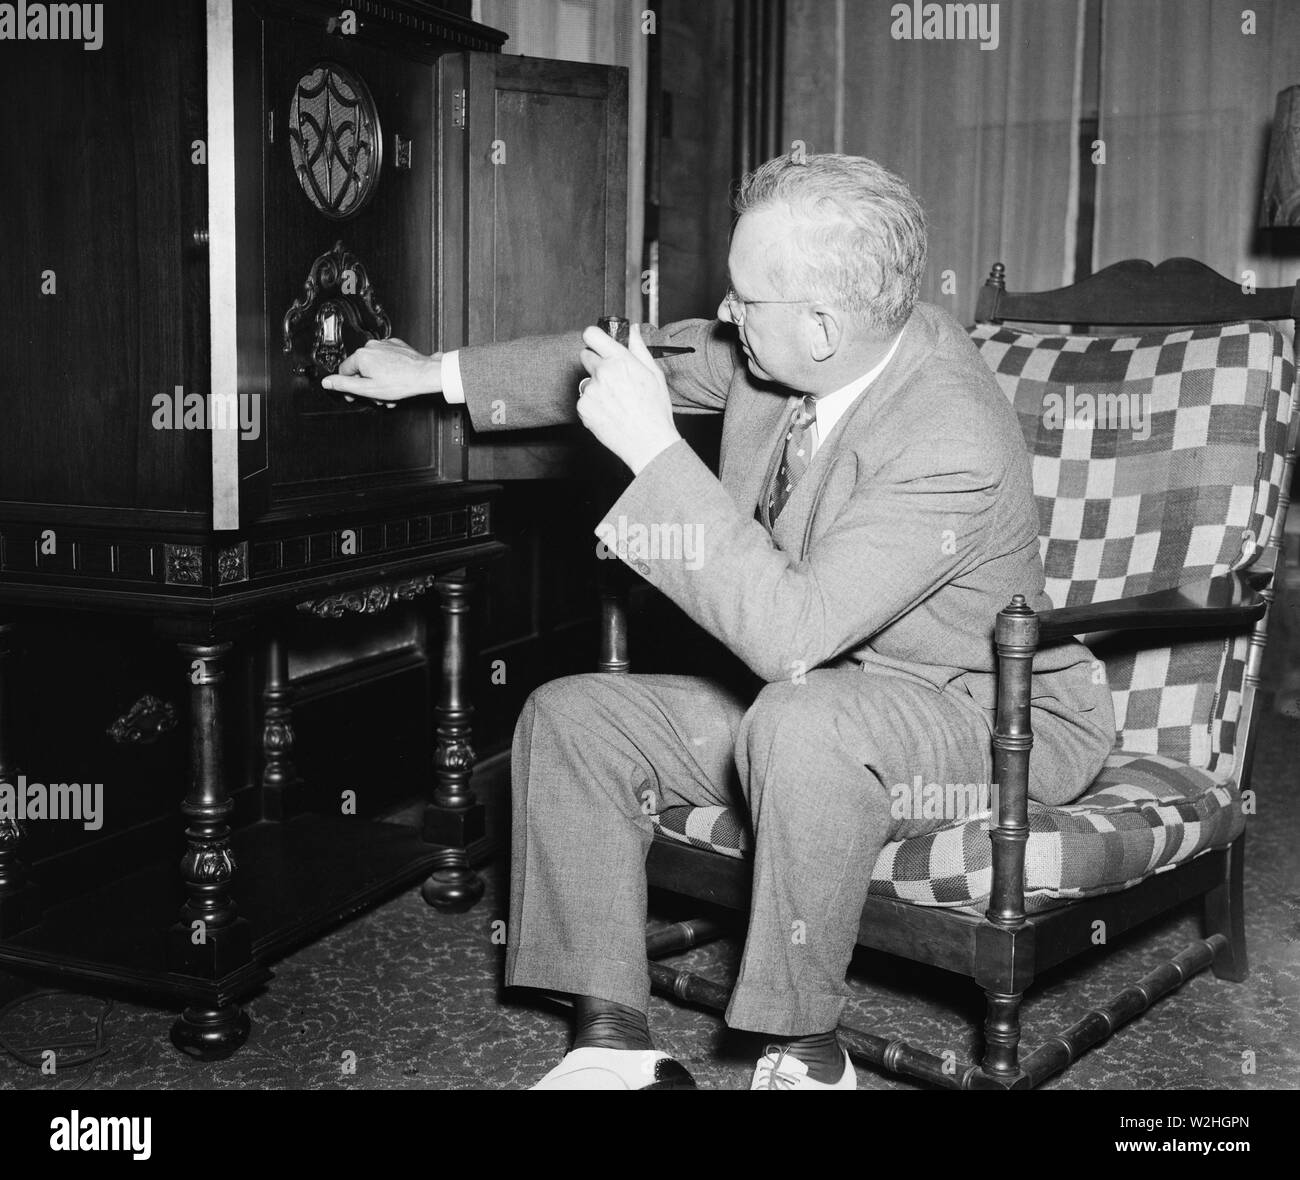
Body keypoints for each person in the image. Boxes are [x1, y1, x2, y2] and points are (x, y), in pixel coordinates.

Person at [324, 153, 1116, 1090]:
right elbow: (629, 357)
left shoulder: (953, 432)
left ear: (824, 325)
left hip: (984, 715)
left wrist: (656, 449)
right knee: (573, 718)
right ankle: (612, 1041)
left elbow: (789, 639)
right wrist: (437, 373)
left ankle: (805, 1050)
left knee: (799, 721)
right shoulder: (785, 344)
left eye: (743, 300)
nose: (724, 317)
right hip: (829, 693)